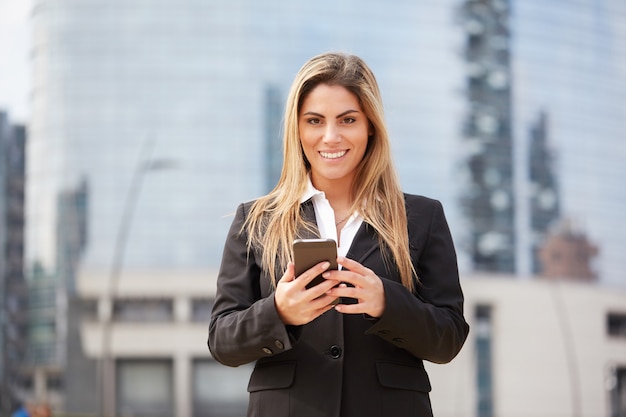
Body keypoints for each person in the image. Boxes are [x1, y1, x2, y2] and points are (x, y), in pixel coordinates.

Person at [208, 52, 469, 417]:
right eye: (314, 121)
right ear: (297, 129)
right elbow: (222, 340)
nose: (330, 137)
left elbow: (449, 338)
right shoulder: (256, 221)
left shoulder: (422, 217)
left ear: (370, 126)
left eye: (347, 120)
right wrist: (279, 311)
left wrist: (386, 303)